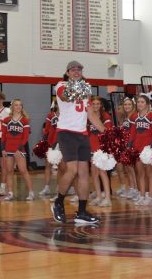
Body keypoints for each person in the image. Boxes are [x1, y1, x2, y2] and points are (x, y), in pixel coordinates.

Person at [51, 61, 106, 224]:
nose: (76, 72)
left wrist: (107, 132)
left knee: (84, 173)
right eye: (73, 70)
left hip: (82, 134)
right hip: (66, 133)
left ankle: (82, 212)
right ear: (67, 73)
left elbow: (91, 114)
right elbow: (64, 96)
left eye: (79, 69)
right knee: (72, 169)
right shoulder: (61, 85)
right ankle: (58, 203)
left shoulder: (86, 90)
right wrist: (80, 88)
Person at [1, 99, 34, 201]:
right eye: (16, 105)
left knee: (23, 171)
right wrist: (2, 148)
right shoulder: (6, 120)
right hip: (8, 148)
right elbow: (3, 135)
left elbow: (25, 136)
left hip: (19, 149)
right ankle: (10, 193)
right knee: (9, 171)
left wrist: (19, 148)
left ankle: (31, 193)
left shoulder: (25, 120)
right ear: (12, 107)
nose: (18, 107)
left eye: (20, 105)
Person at [130, 95, 152, 206]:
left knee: (149, 173)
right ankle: (142, 195)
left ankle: (150, 196)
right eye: (138, 102)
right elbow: (132, 133)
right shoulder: (134, 117)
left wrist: (151, 147)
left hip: (148, 148)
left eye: (142, 102)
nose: (139, 104)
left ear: (147, 104)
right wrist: (130, 146)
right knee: (140, 173)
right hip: (137, 147)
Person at [88, 96, 113, 207]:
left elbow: (108, 132)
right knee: (94, 173)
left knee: (102, 172)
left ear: (101, 105)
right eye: (94, 104)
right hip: (91, 147)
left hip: (102, 147)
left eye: (98, 104)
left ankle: (107, 198)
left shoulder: (106, 116)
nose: (96, 106)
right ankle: (98, 196)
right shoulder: (88, 117)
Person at [39, 102, 59, 196]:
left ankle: (65, 187)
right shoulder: (50, 115)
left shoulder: (68, 115)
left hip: (64, 143)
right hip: (51, 143)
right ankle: (46, 187)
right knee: (48, 166)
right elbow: (46, 130)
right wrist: (44, 142)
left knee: (64, 168)